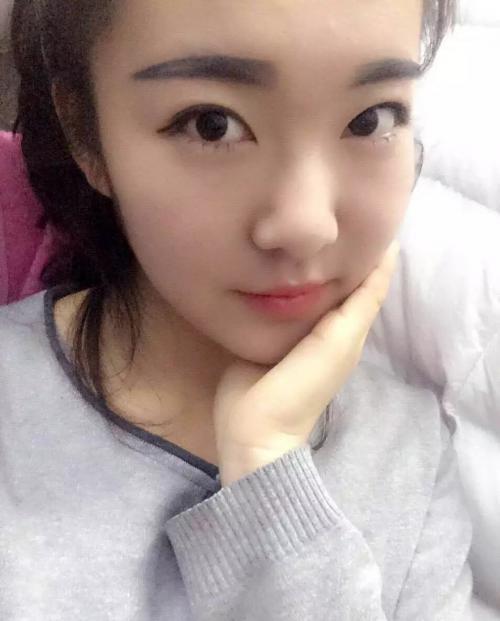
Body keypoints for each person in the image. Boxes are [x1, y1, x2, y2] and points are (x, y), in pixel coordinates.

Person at [0, 0, 472, 619]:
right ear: (86, 135)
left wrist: (268, 477)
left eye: (370, 120)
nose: (307, 225)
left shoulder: (412, 456)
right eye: (211, 125)